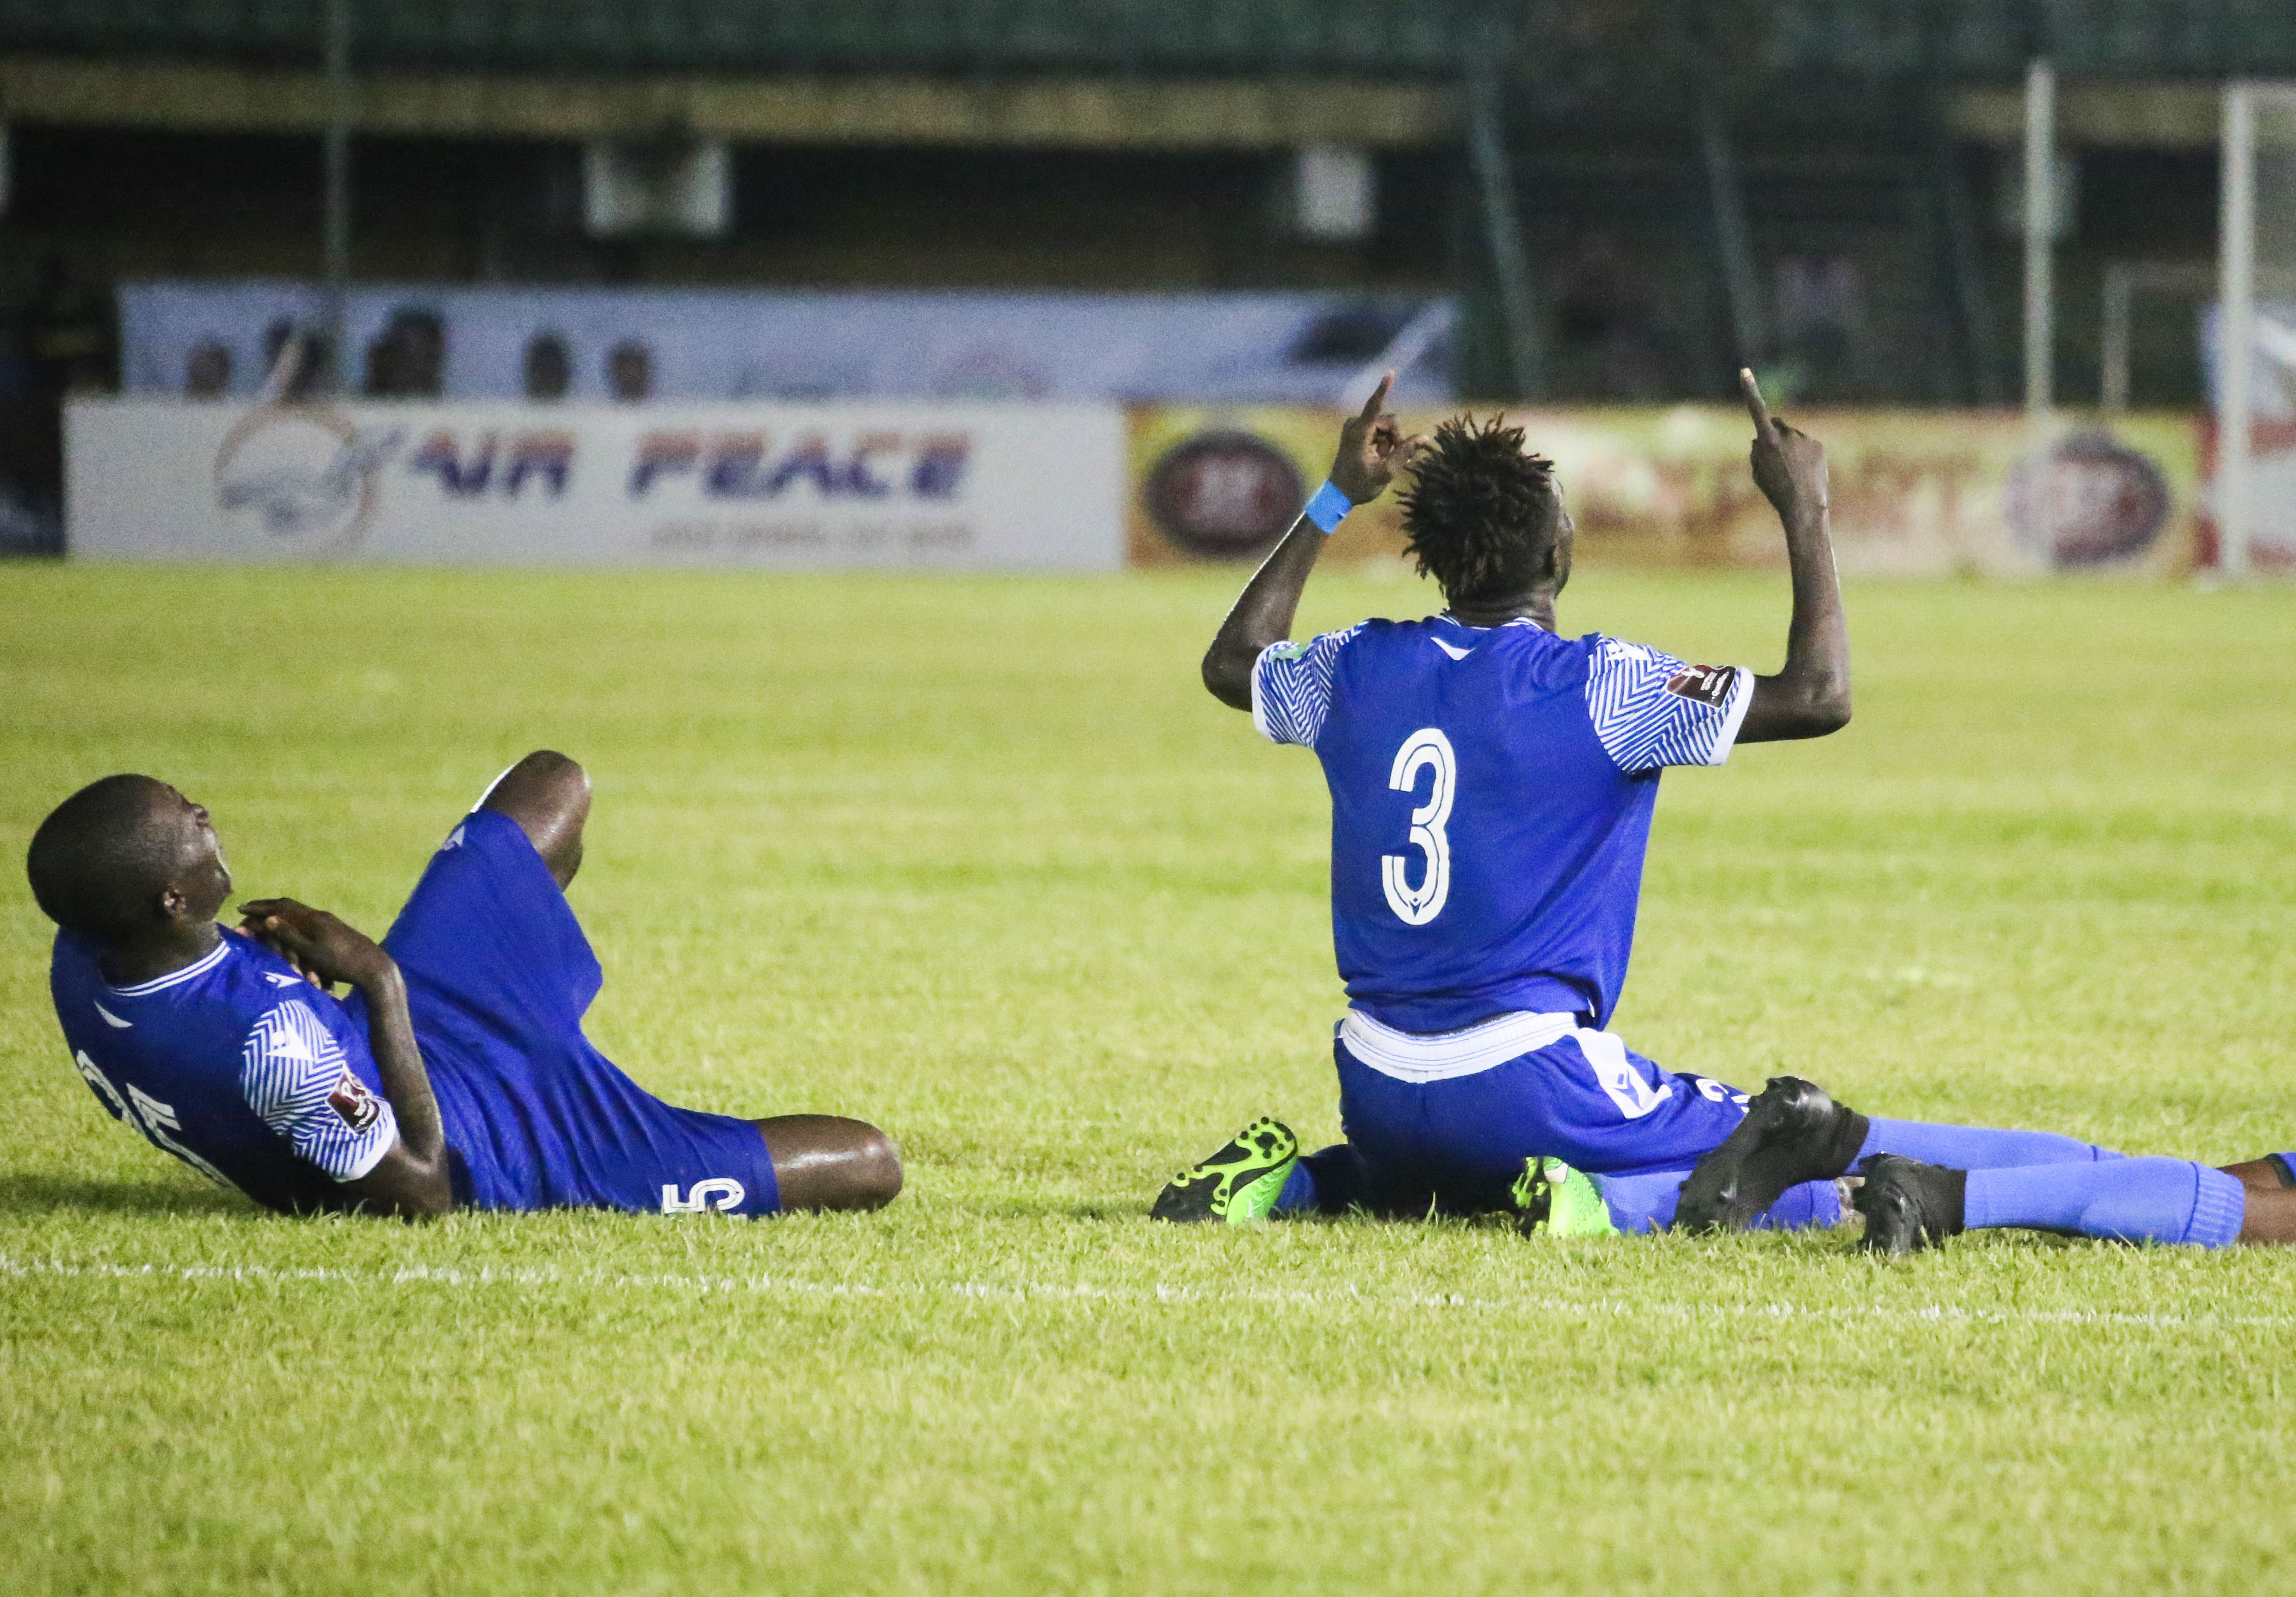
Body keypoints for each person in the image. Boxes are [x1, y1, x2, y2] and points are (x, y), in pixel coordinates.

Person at [1153, 372, 2288, 1253]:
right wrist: (1805, 510)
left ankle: (1299, 1180)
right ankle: (1616, 1208)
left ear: (1432, 561)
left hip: (1376, 1084)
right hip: (1529, 1085)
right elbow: (1818, 697)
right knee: (1807, 1149)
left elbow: (1231, 660)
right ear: (1561, 548)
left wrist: (1331, 495)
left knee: (1426, 1174)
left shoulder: (1358, 665)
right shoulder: (1600, 684)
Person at [28, 752, 902, 1220]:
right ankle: (580, 1081)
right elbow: (424, 1190)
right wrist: (376, 977)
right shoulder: (275, 1050)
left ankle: (532, 967)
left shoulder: (90, 948)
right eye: (190, 823)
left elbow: (210, 1015)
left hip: (384, 1050)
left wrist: (296, 973)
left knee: (549, 786)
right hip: (491, 1143)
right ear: (171, 899)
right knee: (870, 1162)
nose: (205, 816)